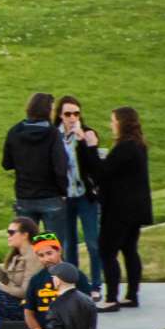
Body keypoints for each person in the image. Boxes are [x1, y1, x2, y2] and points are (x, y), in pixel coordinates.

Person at [100, 106, 155, 310]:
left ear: (122, 123)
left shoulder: (125, 147)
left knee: (107, 250)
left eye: (113, 121)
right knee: (130, 250)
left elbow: (104, 172)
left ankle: (111, 298)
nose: (111, 125)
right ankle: (132, 294)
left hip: (119, 209)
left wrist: (89, 148)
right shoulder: (138, 145)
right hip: (136, 208)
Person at [4, 90, 73, 246]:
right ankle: (53, 271)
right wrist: (63, 191)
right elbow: (60, 167)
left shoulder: (15, 131)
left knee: (26, 247)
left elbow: (7, 164)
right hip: (51, 197)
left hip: (24, 197)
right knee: (53, 249)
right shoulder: (53, 133)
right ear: (47, 110)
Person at [59, 94, 108, 287]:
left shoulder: (88, 134)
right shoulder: (55, 135)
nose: (72, 118)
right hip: (65, 196)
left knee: (92, 243)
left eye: (76, 113)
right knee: (70, 244)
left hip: (85, 196)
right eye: (68, 114)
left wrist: (86, 144)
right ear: (61, 116)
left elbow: (95, 168)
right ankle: (75, 285)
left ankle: (96, 284)